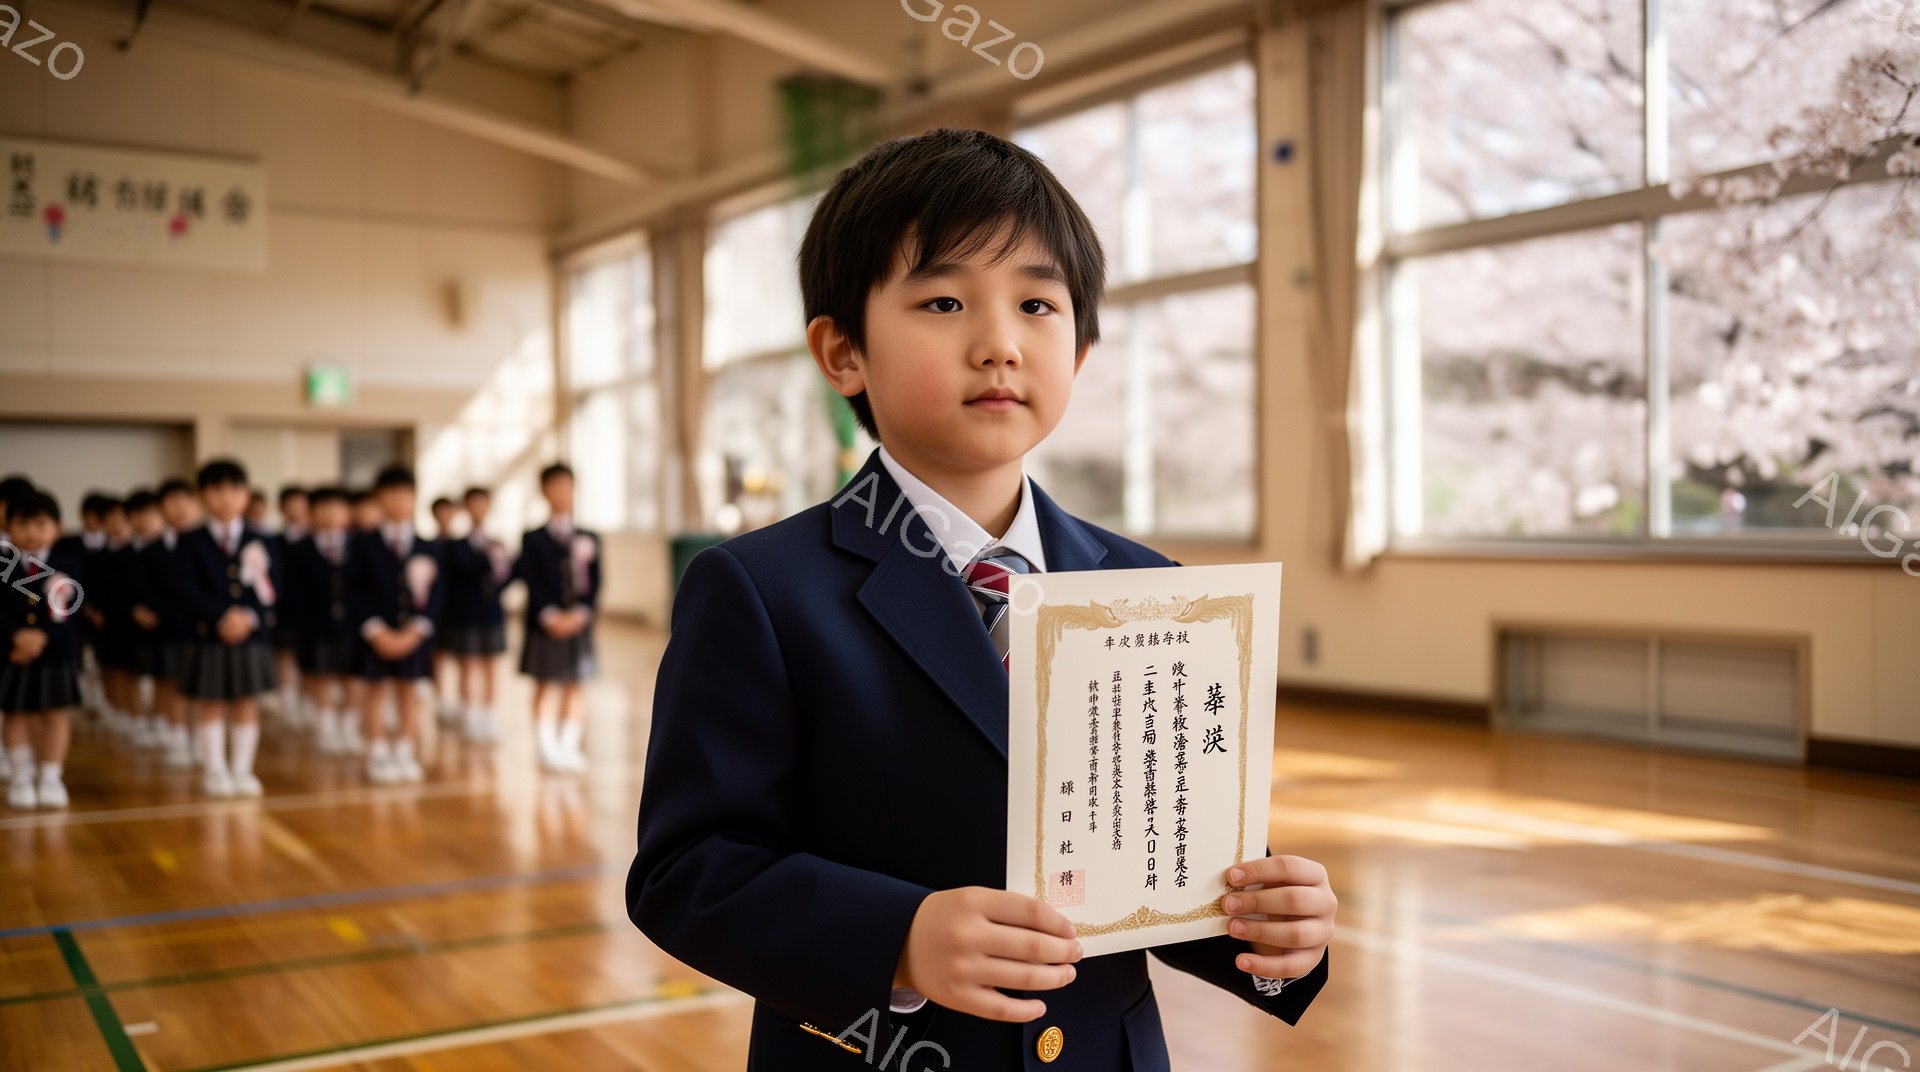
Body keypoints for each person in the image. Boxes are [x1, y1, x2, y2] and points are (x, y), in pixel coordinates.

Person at [626, 130, 1333, 1071]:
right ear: (843, 352)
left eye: (1039, 304)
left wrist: (1271, 939)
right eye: (945, 300)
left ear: (1079, 353)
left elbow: (1156, 861)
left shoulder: (1150, 590)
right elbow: (688, 870)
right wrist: (899, 939)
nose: (999, 342)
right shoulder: (761, 590)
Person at [179, 459, 280, 799]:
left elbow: (272, 589)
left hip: (250, 636)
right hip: (209, 634)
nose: (226, 498)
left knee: (245, 702)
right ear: (202, 495)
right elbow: (185, 589)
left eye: (234, 490)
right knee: (210, 701)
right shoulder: (190, 541)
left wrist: (248, 617)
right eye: (216, 490)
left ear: (247, 494)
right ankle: (215, 770)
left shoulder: (261, 540)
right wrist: (220, 617)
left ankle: (242, 769)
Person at [346, 465, 442, 785]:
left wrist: (417, 630)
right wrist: (375, 630)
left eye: (406, 495)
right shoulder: (364, 543)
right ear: (379, 499)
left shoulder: (428, 546)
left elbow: (438, 593)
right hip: (376, 634)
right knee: (376, 691)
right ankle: (377, 750)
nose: (399, 502)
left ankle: (404, 748)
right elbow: (354, 589)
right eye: (391, 495)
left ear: (415, 498)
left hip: (414, 635)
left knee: (409, 692)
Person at [2, 489, 83, 810]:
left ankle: (51, 776)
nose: (31, 533)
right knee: (15, 713)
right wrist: (16, 636)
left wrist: (40, 638)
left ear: (57, 529)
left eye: (40, 524)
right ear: (10, 529)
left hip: (55, 652)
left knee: (55, 715)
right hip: (11, 651)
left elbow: (70, 607)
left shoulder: (69, 563)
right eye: (22, 525)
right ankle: (21, 778)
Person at [515, 463, 598, 773]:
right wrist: (549, 615)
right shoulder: (532, 538)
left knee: (575, 685)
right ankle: (546, 745)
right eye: (555, 486)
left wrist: (581, 614)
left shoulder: (589, 535)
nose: (562, 493)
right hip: (543, 623)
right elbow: (530, 580)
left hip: (579, 624)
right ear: (544, 491)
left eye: (568, 486)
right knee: (545, 684)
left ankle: (569, 745)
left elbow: (596, 581)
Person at [290, 487, 361, 756]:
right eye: (323, 508)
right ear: (312, 513)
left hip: (353, 627)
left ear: (347, 513)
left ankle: (350, 726)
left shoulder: (359, 545)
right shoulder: (300, 549)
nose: (331, 515)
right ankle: (326, 728)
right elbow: (294, 593)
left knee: (353, 679)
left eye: (338, 508)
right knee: (322, 678)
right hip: (316, 627)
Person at [440, 486, 512, 743]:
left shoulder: (498, 543)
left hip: (491, 613)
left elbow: (505, 578)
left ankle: (489, 715)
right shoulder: (455, 546)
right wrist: (490, 559)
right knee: (469, 666)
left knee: (492, 666)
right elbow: (459, 573)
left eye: (484, 503)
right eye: (474, 503)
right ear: (466, 508)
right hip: (465, 614)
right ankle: (470, 714)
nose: (479, 509)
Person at [146, 478, 202, 769]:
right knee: (171, 682)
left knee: (204, 684)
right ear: (161, 508)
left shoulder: (208, 543)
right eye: (172, 502)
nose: (180, 508)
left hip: (204, 626)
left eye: (186, 501)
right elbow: (147, 589)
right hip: (168, 625)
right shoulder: (153, 548)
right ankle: (177, 735)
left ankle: (200, 738)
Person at [123, 490, 170, 750]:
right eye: (136, 515)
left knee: (165, 675)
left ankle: (162, 721)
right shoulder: (124, 552)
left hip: (164, 623)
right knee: (134, 673)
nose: (143, 520)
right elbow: (117, 590)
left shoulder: (169, 549)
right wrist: (135, 611)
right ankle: (138, 720)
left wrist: (157, 613)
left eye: (149, 514)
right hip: (131, 623)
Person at [269, 486, 311, 729]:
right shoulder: (274, 540)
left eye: (300, 503)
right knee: (283, 653)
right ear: (282, 507)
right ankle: (287, 699)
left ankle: (306, 701)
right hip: (283, 606)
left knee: (307, 655)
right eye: (290, 503)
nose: (295, 508)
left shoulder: (314, 538)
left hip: (308, 607)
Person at [427, 495, 463, 727]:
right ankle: (441, 700)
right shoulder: (429, 545)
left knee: (461, 656)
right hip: (435, 609)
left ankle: (460, 701)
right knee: (438, 656)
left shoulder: (462, 544)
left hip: (458, 608)